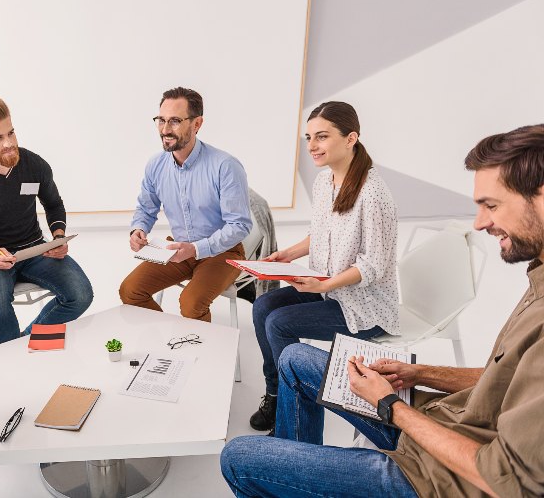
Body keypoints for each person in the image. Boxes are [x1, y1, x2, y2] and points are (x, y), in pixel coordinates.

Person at [221, 124, 544, 497]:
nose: (481, 222)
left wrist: (390, 405)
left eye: (491, 204)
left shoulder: (373, 193)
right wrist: (419, 372)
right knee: (292, 355)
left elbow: (503, 478)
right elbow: (501, 378)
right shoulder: (537, 273)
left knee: (237, 456)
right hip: (447, 419)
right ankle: (300, 472)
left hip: (437, 478)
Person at [248, 101, 399, 431]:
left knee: (279, 323)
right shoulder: (323, 182)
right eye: (308, 137)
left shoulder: (372, 193)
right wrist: (286, 255)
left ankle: (295, 415)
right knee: (262, 307)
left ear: (350, 138)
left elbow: (373, 265)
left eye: (322, 137)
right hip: (326, 290)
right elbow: (319, 235)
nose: (312, 146)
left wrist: (326, 286)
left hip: (363, 307)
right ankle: (276, 395)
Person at [0, 96, 93, 345]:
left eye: (11, 133)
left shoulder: (34, 165)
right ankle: (11, 356)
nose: (10, 143)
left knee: (80, 294)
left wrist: (57, 237)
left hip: (33, 249)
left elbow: (54, 205)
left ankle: (21, 347)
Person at [119, 87, 251, 321]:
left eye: (175, 121)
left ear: (197, 124)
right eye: (161, 120)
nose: (165, 129)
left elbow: (239, 225)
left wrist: (198, 249)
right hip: (179, 248)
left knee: (190, 303)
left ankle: (203, 356)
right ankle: (171, 342)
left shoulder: (225, 165)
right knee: (130, 291)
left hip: (223, 251)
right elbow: (146, 208)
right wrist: (138, 229)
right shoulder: (156, 165)